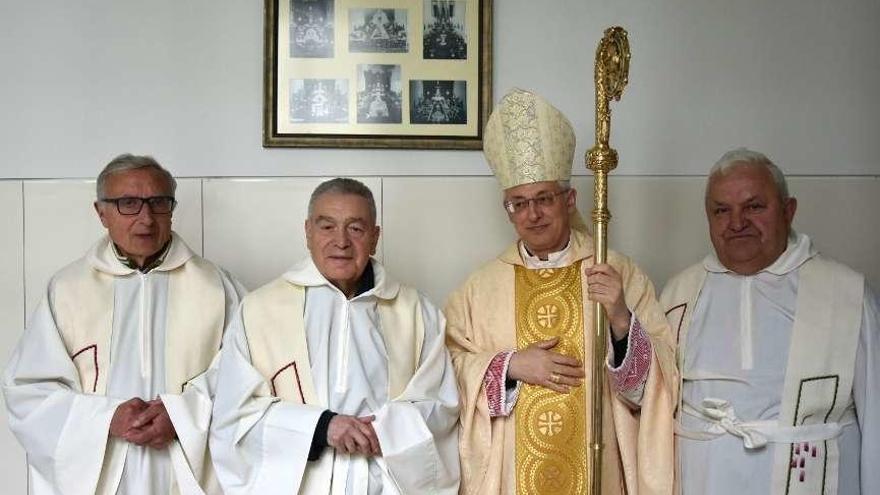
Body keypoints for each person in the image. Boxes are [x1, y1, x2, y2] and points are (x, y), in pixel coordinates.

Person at [445, 88, 678, 495]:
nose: (532, 214)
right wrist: (509, 366)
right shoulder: (479, 288)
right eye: (518, 203)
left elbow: (656, 388)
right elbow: (446, 370)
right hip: (512, 477)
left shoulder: (617, 271)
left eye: (543, 199)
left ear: (569, 199)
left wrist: (621, 317)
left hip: (598, 473)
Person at [3, 154, 244, 494]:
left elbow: (247, 375)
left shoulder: (217, 287)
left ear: (171, 208)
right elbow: (29, 390)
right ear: (101, 213)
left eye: (158, 203)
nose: (145, 218)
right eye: (128, 203)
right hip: (100, 473)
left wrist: (182, 415)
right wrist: (105, 419)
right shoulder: (68, 289)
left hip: (188, 471)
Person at [210, 178, 460, 494]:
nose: (341, 241)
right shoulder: (259, 310)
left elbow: (442, 403)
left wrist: (387, 429)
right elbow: (234, 415)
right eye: (327, 227)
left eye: (355, 228)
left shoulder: (417, 312)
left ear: (375, 237)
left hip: (383, 484)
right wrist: (321, 427)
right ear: (307, 232)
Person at [661, 148, 879, 494]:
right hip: (705, 480)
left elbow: (876, 416)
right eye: (722, 211)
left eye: (754, 206)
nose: (737, 223)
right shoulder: (679, 294)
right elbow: (651, 404)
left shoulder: (847, 294)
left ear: (788, 211)